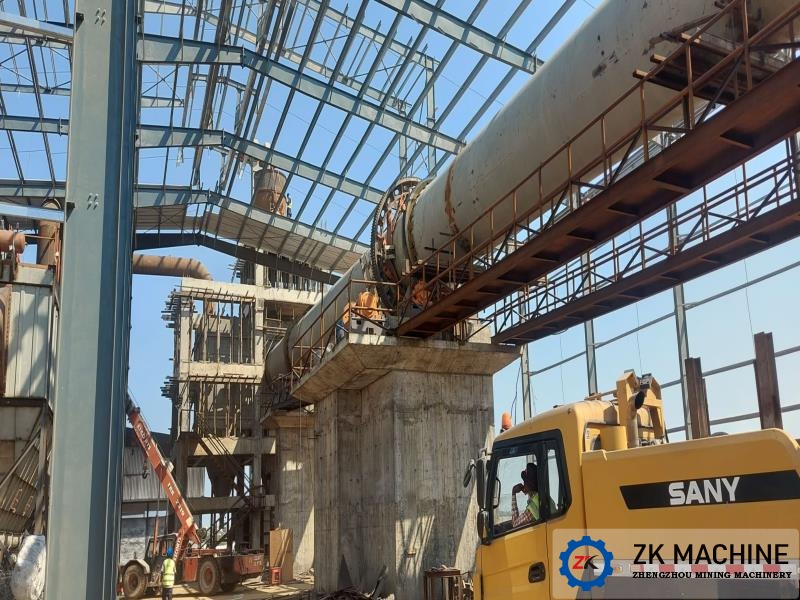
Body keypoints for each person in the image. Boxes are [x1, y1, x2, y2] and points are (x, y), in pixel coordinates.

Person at [511, 462, 555, 528]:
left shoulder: (532, 509)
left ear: (529, 484)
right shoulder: (545, 497)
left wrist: (513, 493)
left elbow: (515, 524)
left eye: (525, 482)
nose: (523, 484)